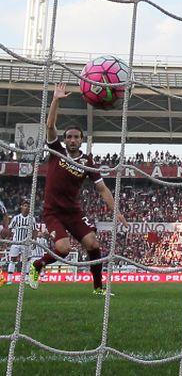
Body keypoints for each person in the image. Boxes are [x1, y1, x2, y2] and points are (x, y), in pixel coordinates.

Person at [27, 83, 128, 295]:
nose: (72, 140)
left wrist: (116, 210)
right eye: (69, 137)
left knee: (92, 243)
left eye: (76, 137)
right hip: (53, 211)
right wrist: (55, 99)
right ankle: (37, 266)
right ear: (65, 140)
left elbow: (102, 190)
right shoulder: (56, 151)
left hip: (73, 212)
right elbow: (49, 125)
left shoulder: (87, 161)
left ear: (82, 140)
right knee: (63, 249)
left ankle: (98, 288)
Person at [7, 199, 37, 285]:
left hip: (26, 243)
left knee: (27, 260)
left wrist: (34, 240)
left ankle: (26, 279)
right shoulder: (16, 218)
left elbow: (35, 230)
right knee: (13, 259)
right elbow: (10, 228)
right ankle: (10, 279)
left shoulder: (32, 219)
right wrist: (8, 239)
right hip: (16, 242)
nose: (26, 207)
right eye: (25, 206)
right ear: (21, 207)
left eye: (28, 206)